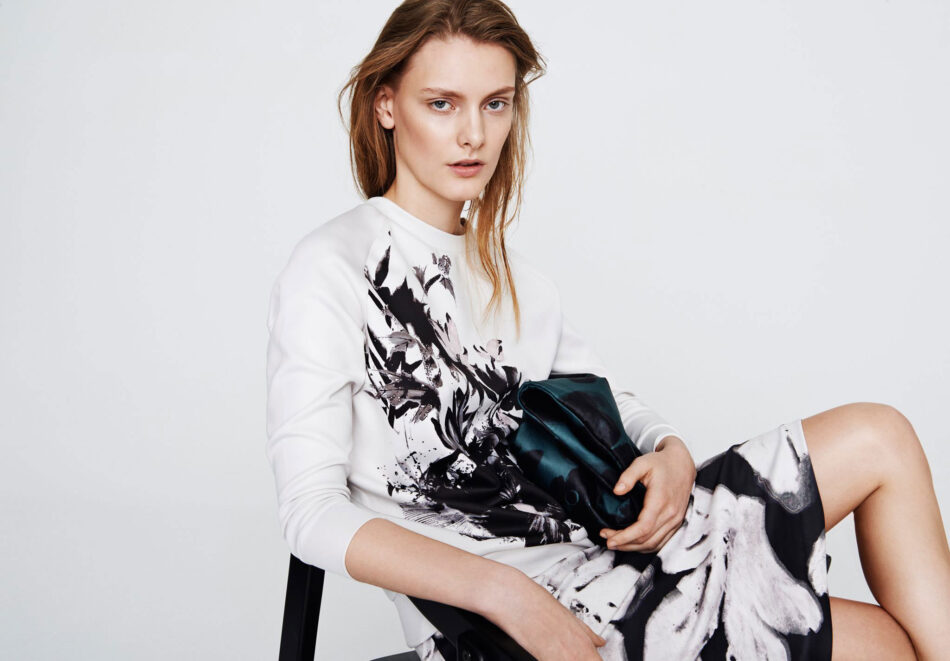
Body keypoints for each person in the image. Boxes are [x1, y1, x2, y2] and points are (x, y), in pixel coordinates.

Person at [264, 1, 950, 659]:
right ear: (386, 105)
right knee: (882, 642)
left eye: (495, 103)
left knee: (881, 447)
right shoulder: (333, 266)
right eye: (442, 104)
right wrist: (504, 592)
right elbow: (310, 511)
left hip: (608, 557)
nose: (473, 134)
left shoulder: (515, 278)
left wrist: (672, 451)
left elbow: (616, 402)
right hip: (503, 620)